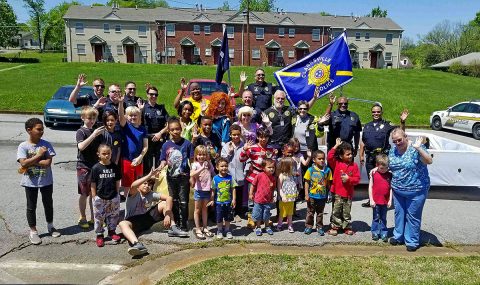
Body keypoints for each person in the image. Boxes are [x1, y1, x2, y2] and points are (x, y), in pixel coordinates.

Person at [119, 168, 188, 257]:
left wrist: (167, 214)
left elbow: (169, 198)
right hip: (133, 221)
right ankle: (137, 244)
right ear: (139, 185)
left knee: (164, 203)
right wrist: (149, 176)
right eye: (144, 183)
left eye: (150, 184)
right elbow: (133, 185)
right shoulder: (134, 193)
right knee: (122, 223)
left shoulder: (151, 194)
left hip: (147, 218)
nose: (147, 186)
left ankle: (173, 227)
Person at [386, 128, 432, 252]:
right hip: (398, 190)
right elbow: (390, 166)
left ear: (406, 137)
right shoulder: (393, 150)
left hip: (416, 190)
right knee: (399, 214)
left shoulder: (415, 148)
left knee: (413, 216)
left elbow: (429, 161)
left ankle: (412, 240)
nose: (397, 143)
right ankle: (398, 236)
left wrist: (418, 148)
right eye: (394, 141)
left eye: (399, 140)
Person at [17, 118, 60, 245]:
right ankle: (33, 231)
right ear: (29, 130)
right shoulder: (23, 146)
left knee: (48, 204)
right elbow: (23, 162)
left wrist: (30, 160)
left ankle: (50, 226)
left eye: (42, 129)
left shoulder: (46, 144)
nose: (41, 131)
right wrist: (39, 155)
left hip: (46, 180)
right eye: (38, 129)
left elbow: (47, 163)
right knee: (31, 206)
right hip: (30, 182)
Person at [359, 104, 409, 207]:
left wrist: (402, 121)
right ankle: (372, 199)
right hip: (370, 157)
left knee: (383, 179)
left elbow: (400, 132)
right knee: (371, 179)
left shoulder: (387, 124)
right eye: (374, 112)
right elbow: (363, 142)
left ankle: (385, 200)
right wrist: (361, 155)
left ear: (381, 113)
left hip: (382, 157)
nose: (375, 113)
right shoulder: (367, 126)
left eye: (378, 112)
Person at [159, 117, 195, 232]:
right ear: (169, 131)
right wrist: (160, 167)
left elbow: (192, 161)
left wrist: (193, 176)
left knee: (184, 200)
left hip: (184, 177)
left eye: (177, 129)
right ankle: (175, 224)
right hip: (171, 177)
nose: (175, 132)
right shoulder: (166, 145)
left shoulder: (187, 144)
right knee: (173, 200)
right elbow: (163, 160)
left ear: (181, 129)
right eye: (172, 129)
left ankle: (183, 224)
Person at [76, 106, 104, 229]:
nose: (91, 120)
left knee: (94, 194)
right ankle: (82, 217)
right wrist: (93, 135)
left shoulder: (96, 131)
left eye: (93, 118)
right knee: (84, 193)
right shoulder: (81, 132)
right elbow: (81, 147)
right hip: (83, 166)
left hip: (95, 167)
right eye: (89, 118)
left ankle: (94, 217)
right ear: (83, 118)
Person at [327, 138, 360, 236]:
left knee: (346, 211)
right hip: (337, 193)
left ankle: (346, 227)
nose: (350, 156)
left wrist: (349, 179)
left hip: (348, 194)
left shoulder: (354, 166)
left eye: (351, 154)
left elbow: (357, 179)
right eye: (347, 154)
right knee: (336, 210)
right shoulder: (337, 163)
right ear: (341, 156)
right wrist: (336, 146)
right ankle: (335, 226)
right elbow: (329, 157)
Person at [90, 144, 122, 247]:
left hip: (113, 196)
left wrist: (117, 194)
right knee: (99, 217)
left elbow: (117, 181)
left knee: (113, 215)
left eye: (108, 153)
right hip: (100, 197)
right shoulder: (96, 168)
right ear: (98, 154)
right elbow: (93, 183)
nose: (106, 156)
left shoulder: (114, 167)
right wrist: (94, 196)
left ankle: (112, 231)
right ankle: (99, 235)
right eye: (104, 154)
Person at [118, 96, 149, 201]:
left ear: (139, 116)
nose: (133, 117)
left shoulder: (142, 129)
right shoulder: (126, 126)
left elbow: (145, 146)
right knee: (128, 185)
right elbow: (121, 116)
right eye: (130, 115)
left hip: (139, 161)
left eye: (135, 115)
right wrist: (121, 103)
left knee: (138, 183)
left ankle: (137, 206)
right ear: (127, 117)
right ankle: (128, 208)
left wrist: (140, 157)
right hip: (127, 160)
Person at [142, 85, 169, 175]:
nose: (153, 96)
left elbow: (169, 123)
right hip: (147, 139)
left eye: (155, 94)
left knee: (159, 162)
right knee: (147, 164)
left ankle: (158, 184)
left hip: (159, 139)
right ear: (147, 95)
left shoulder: (161, 108)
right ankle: (147, 184)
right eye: (151, 94)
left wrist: (160, 133)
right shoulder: (143, 108)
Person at [304, 150, 332, 236]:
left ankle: (319, 227)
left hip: (322, 196)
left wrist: (329, 194)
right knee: (310, 212)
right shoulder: (310, 170)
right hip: (312, 196)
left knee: (320, 213)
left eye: (323, 159)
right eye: (319, 159)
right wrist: (306, 194)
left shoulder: (327, 170)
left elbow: (328, 183)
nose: (322, 160)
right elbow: (307, 182)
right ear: (314, 160)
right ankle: (309, 226)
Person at [220, 125, 246, 219]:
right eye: (234, 135)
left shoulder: (244, 145)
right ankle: (230, 212)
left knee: (239, 194)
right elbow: (222, 160)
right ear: (230, 135)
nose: (236, 137)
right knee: (229, 194)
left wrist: (245, 171)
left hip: (240, 174)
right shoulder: (226, 146)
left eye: (238, 135)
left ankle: (238, 212)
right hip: (229, 174)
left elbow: (248, 159)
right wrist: (230, 152)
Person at [190, 145, 215, 240]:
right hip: (198, 191)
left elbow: (213, 173)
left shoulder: (209, 163)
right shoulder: (195, 164)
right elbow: (192, 174)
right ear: (196, 155)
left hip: (207, 190)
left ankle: (205, 227)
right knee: (197, 210)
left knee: (205, 209)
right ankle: (197, 228)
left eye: (204, 154)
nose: (202, 156)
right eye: (199, 154)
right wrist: (202, 168)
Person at [210, 157, 237, 239]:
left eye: (225, 166)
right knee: (219, 218)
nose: (224, 168)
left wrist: (234, 199)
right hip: (218, 203)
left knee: (228, 217)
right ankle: (219, 230)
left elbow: (233, 188)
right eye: (222, 166)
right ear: (217, 167)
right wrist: (211, 200)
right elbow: (213, 190)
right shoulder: (215, 178)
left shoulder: (230, 178)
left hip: (228, 202)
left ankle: (227, 230)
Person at [368, 154, 392, 242]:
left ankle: (384, 232)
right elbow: (370, 187)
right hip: (376, 201)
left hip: (385, 201)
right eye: (381, 168)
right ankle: (375, 232)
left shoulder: (389, 175)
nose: (383, 170)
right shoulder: (374, 174)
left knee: (383, 218)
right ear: (377, 166)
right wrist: (371, 199)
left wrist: (390, 200)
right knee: (376, 217)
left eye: (386, 168)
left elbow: (390, 188)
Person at [250, 158, 276, 236]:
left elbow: (273, 189)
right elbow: (253, 185)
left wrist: (273, 195)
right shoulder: (259, 176)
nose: (271, 169)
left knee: (266, 214)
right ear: (263, 168)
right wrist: (250, 194)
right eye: (269, 167)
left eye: (273, 167)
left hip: (268, 200)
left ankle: (267, 226)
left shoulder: (273, 178)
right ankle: (258, 227)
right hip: (258, 200)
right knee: (258, 215)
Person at [276, 157, 297, 233]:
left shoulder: (291, 175)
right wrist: (282, 196)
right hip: (284, 198)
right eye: (292, 165)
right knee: (282, 212)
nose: (293, 167)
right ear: (287, 166)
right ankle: (279, 224)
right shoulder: (281, 176)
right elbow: (279, 188)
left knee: (290, 212)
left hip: (291, 198)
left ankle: (290, 225)